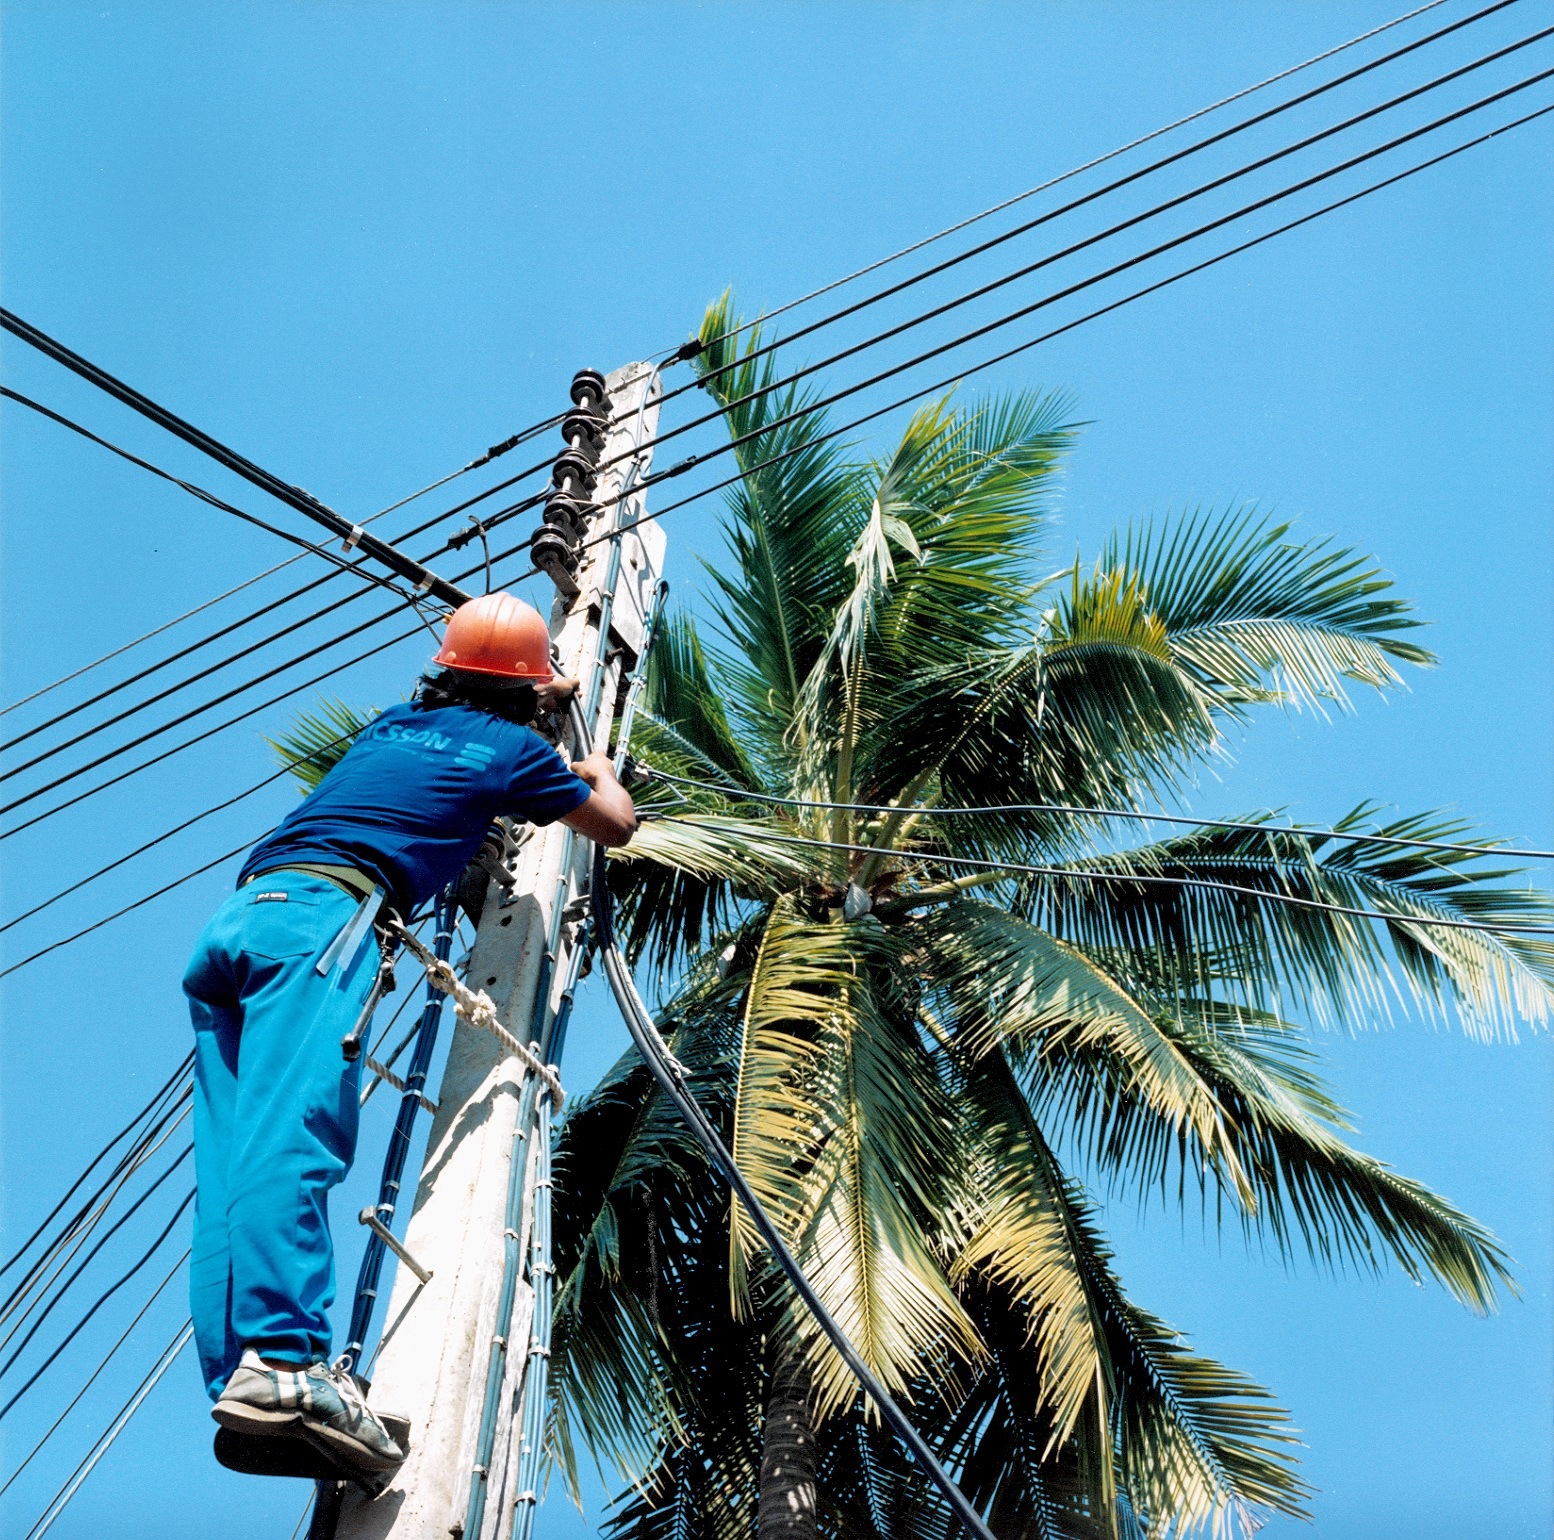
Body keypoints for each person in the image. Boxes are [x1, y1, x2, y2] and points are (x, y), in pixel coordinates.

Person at [181, 592, 635, 1476]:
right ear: (525, 696)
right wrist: (598, 768)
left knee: (233, 1162)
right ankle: (285, 1366)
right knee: (295, 1135)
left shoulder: (391, 726)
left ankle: (244, 1373)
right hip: (326, 921)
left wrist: (536, 688)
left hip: (243, 919)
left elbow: (467, 718)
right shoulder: (516, 751)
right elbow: (610, 823)